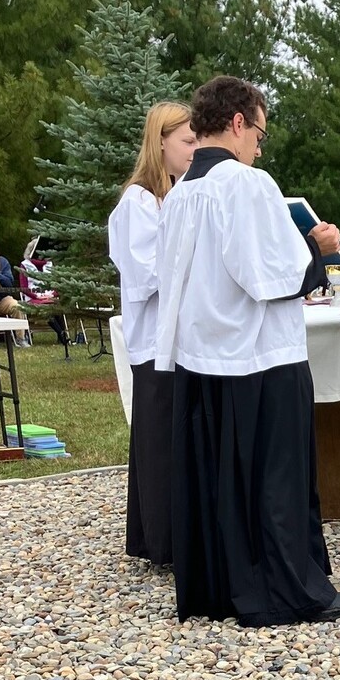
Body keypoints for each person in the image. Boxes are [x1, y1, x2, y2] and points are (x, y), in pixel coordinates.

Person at [154, 75, 340, 625]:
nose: (260, 147)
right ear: (238, 123)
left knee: (221, 481)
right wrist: (313, 247)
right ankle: (288, 591)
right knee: (275, 480)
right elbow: (271, 276)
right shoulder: (246, 184)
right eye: (260, 133)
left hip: (203, 360)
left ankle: (221, 588)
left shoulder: (181, 195)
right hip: (261, 357)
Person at [108, 100, 197, 566]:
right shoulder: (139, 202)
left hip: (186, 340)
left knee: (175, 438)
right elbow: (146, 274)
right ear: (160, 141)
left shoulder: (182, 194)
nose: (193, 148)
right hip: (155, 341)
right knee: (159, 440)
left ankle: (172, 534)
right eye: (186, 140)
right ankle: (163, 542)